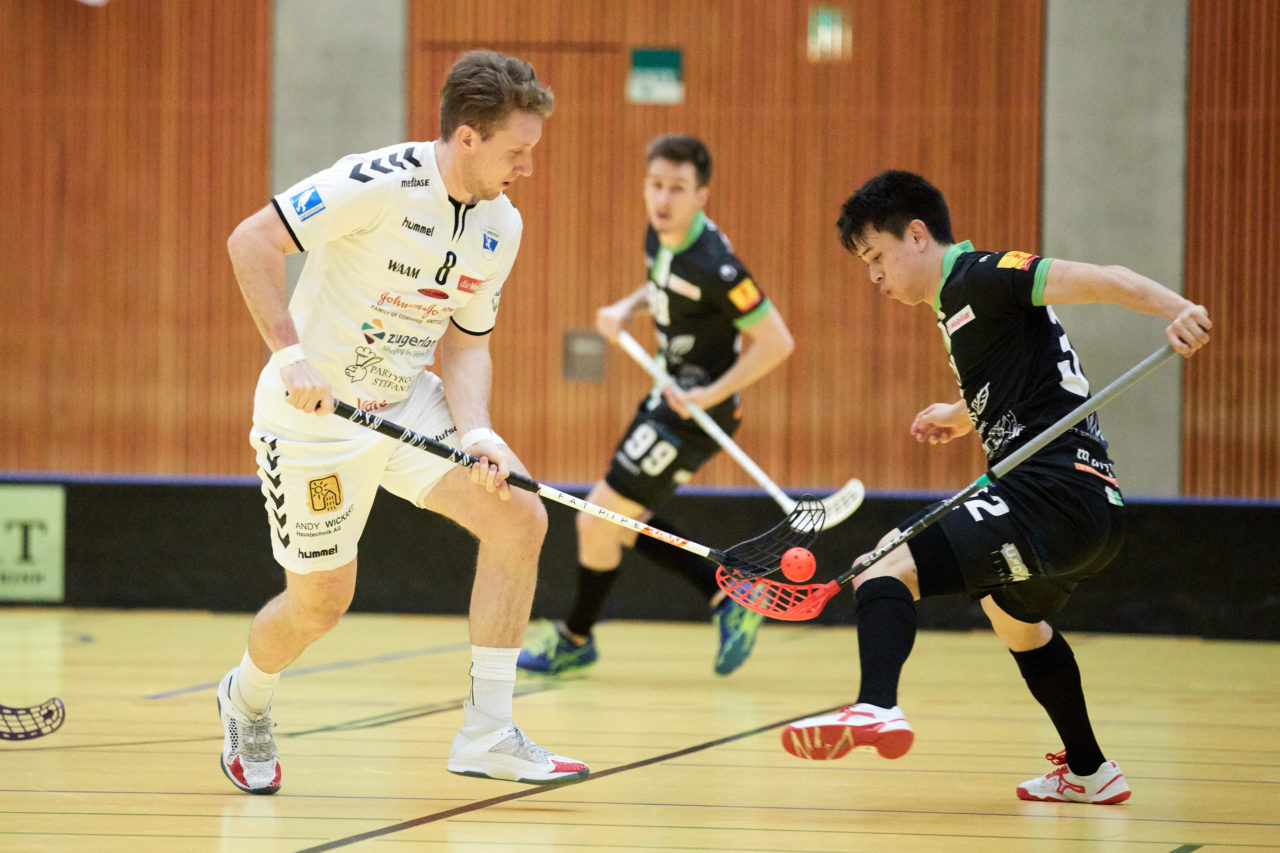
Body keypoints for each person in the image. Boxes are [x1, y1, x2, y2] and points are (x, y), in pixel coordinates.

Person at [220, 49, 588, 795]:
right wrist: (290, 356)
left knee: (520, 517)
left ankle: (487, 729)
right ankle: (246, 698)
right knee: (321, 601)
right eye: (517, 151)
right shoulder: (378, 183)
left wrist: (478, 429)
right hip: (312, 419)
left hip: (404, 400)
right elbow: (250, 240)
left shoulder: (502, 225)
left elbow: (465, 342)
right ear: (467, 139)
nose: (527, 166)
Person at [780, 170, 1211, 803]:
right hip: (1092, 513)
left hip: (1050, 497)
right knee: (1014, 620)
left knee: (881, 566)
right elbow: (1036, 377)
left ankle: (875, 707)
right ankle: (1090, 771)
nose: (874, 276)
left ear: (918, 235)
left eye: (877, 256)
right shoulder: (956, 306)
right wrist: (962, 416)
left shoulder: (986, 275)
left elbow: (1105, 277)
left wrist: (1178, 309)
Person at [517, 134, 795, 677]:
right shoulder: (661, 235)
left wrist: (707, 397)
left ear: (702, 195)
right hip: (667, 395)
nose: (663, 199)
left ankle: (576, 637)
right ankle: (727, 595)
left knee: (600, 520)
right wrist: (627, 306)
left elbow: (777, 342)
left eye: (678, 188)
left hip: (697, 414)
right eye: (656, 185)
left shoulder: (718, 266)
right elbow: (663, 287)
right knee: (618, 521)